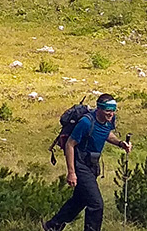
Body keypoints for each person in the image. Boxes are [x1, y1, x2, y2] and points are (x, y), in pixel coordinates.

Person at [44, 95, 132, 231]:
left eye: (113, 110)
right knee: (96, 204)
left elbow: (107, 133)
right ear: (99, 109)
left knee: (80, 200)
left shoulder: (109, 120)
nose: (111, 113)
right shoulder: (86, 122)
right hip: (80, 164)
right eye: (108, 110)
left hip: (93, 165)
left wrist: (120, 143)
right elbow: (69, 145)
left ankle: (53, 225)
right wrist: (71, 173)